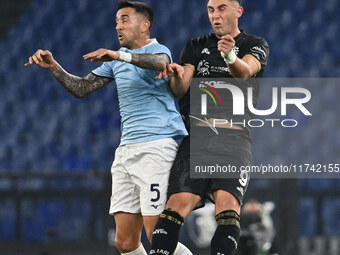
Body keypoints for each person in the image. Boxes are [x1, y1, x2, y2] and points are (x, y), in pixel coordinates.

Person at [25, 1, 192, 255]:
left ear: (145, 25)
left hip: (156, 147)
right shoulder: (116, 61)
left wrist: (118, 55)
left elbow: (159, 63)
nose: (118, 26)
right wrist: (53, 67)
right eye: (116, 21)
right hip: (126, 151)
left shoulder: (158, 50)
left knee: (157, 235)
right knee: (125, 242)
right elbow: (81, 88)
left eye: (124, 19)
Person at [150, 0, 269, 254]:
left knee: (226, 207)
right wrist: (176, 75)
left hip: (233, 138)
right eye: (211, 10)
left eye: (222, 8)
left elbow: (245, 71)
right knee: (175, 206)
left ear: (238, 11)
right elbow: (181, 89)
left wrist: (229, 56)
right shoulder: (196, 46)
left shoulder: (254, 45)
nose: (215, 15)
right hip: (197, 137)